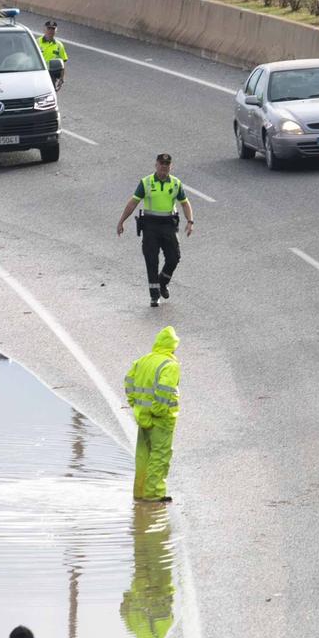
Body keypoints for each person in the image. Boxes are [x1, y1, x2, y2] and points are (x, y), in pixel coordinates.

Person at [116, 152, 195, 306]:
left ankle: (162, 281)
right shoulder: (146, 182)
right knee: (151, 260)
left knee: (174, 257)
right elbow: (133, 203)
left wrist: (190, 221)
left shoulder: (175, 183)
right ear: (156, 165)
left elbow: (185, 203)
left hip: (168, 225)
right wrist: (121, 221)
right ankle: (154, 295)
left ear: (170, 166)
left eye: (167, 165)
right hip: (150, 226)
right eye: (161, 164)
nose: (164, 168)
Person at [124, 325, 180, 503]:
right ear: (172, 346)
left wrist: (136, 406)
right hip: (161, 420)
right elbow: (164, 392)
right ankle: (154, 494)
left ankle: (139, 493)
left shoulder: (142, 361)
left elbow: (128, 382)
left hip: (142, 417)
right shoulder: (170, 365)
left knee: (143, 456)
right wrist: (158, 411)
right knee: (160, 456)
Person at [39, 20, 68, 89]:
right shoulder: (37, 42)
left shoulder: (59, 45)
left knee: (50, 95)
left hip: (51, 74)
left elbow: (62, 63)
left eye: (53, 29)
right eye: (48, 28)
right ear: (44, 29)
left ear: (56, 31)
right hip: (39, 72)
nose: (51, 31)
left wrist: (62, 78)